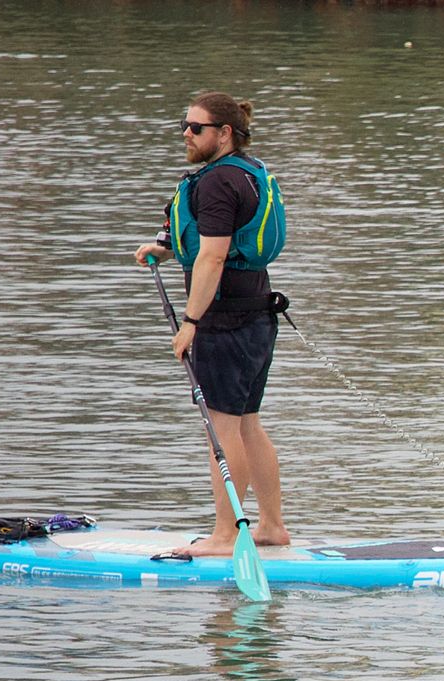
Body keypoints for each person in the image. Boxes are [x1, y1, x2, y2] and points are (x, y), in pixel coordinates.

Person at [133, 91, 291, 556]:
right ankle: (271, 527)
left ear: (224, 133)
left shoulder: (218, 182)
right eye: (183, 124)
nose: (186, 133)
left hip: (223, 323)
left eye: (196, 127)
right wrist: (165, 249)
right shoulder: (249, 172)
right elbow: (219, 239)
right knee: (247, 424)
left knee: (222, 429)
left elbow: (216, 254)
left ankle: (227, 535)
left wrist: (190, 322)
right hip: (259, 316)